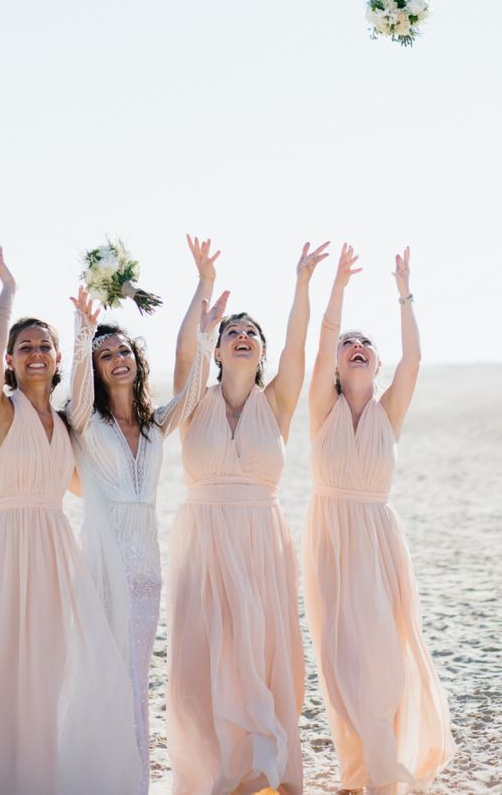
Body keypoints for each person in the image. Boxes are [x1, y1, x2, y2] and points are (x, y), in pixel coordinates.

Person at [0, 247, 141, 795]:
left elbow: (90, 488)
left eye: (45, 346)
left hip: (52, 554)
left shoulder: (69, 427)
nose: (35, 353)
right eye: (26, 348)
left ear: (61, 357)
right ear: (13, 362)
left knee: (44, 677)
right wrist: (7, 291)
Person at [167, 239, 330, 795]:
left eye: (251, 334)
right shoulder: (192, 402)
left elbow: (300, 346)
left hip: (263, 540)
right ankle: (218, 773)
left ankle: (270, 770)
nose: (242, 338)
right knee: (205, 658)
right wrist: (204, 282)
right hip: (205, 540)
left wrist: (302, 284)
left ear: (261, 352)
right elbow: (183, 350)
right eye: (232, 333)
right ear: (217, 350)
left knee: (265, 656)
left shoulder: (278, 402)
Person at [68, 245, 229, 795]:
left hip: (147, 570)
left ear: (137, 361)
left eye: (124, 350)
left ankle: (129, 781)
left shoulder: (158, 426)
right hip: (101, 564)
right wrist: (81, 328)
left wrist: (207, 337)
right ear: (94, 365)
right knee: (101, 675)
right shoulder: (84, 423)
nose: (117, 358)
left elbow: (190, 397)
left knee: (134, 678)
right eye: (105, 353)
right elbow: (79, 394)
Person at [302, 245, 455, 795]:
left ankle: (382, 772)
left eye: (365, 344)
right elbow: (319, 353)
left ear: (376, 362)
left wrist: (403, 291)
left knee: (386, 658)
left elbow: (414, 359)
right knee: (341, 662)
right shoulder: (323, 408)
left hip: (380, 541)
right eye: (348, 344)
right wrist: (337, 288)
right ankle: (356, 772)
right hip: (331, 541)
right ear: (339, 366)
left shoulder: (389, 412)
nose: (356, 347)